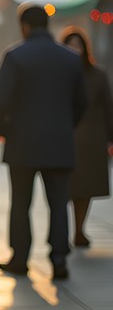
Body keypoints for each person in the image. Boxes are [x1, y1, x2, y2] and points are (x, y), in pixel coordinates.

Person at [0, 4, 87, 281]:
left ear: (24, 27)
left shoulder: (15, 56)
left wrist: (3, 130)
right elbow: (82, 101)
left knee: (21, 203)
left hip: (22, 143)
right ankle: (59, 260)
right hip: (59, 142)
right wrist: (67, 126)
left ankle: (20, 258)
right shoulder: (70, 59)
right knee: (58, 203)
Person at [59, 26, 113, 248]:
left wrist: (110, 137)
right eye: (70, 44)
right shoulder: (59, 74)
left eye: (78, 45)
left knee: (86, 187)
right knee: (66, 187)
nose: (74, 49)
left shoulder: (97, 75)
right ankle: (65, 230)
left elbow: (108, 107)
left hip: (91, 138)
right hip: (66, 137)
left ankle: (79, 229)